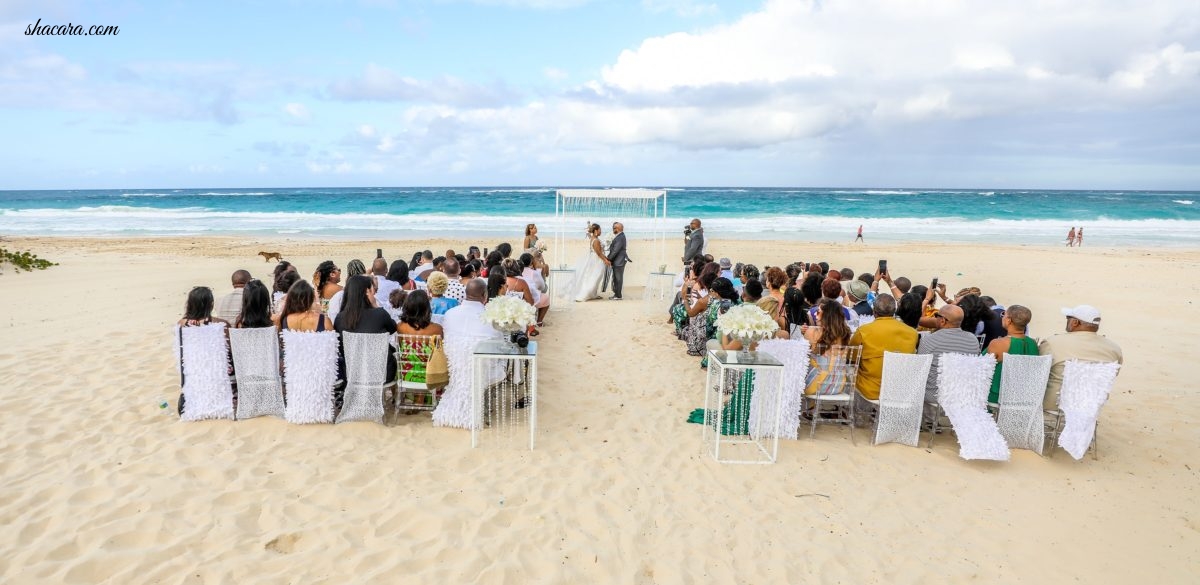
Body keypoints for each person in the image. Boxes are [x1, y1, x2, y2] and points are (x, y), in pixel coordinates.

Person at [1038, 305, 1122, 409]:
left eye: (1068, 318)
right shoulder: (1114, 349)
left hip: (1051, 410)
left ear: (1075, 322)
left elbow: (1037, 374)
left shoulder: (1052, 343)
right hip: (1089, 412)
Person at [849, 294, 918, 400]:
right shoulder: (912, 333)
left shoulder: (864, 331)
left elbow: (851, 358)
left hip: (872, 390)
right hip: (901, 391)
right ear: (894, 311)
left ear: (874, 311)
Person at [333, 275, 398, 382]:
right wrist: (375, 306)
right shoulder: (380, 314)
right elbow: (393, 328)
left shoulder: (340, 318)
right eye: (373, 290)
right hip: (382, 374)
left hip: (352, 374)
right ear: (367, 291)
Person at [917, 305, 983, 403]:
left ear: (943, 320)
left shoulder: (929, 340)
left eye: (936, 316)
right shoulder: (973, 340)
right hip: (962, 399)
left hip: (933, 399)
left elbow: (919, 369)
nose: (935, 318)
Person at [983, 304, 1037, 404]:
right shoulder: (1033, 344)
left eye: (1004, 314)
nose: (1002, 317)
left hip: (996, 397)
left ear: (1008, 320)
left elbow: (982, 369)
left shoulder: (998, 343)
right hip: (1022, 398)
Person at [803, 299, 854, 395]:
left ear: (827, 316)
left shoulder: (812, 332)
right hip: (837, 386)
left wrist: (804, 332)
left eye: (818, 312)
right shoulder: (845, 334)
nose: (815, 315)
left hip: (815, 385)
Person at [567, 223, 609, 302]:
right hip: (597, 260)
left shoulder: (593, 237)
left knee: (595, 276)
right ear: (596, 230)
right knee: (595, 277)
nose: (601, 231)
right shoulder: (596, 240)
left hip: (595, 259)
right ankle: (584, 295)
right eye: (600, 230)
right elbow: (599, 253)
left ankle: (593, 294)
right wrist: (605, 260)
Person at [520, 252, 550, 325]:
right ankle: (539, 321)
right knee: (546, 298)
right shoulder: (534, 273)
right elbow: (542, 286)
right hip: (531, 300)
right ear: (531, 262)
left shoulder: (517, 271)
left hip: (519, 297)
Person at [607, 222, 630, 300]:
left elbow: (615, 251)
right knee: (617, 278)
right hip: (618, 260)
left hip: (619, 261)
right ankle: (617, 294)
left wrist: (608, 259)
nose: (613, 229)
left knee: (618, 279)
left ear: (618, 228)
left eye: (614, 228)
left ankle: (618, 295)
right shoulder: (620, 236)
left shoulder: (620, 237)